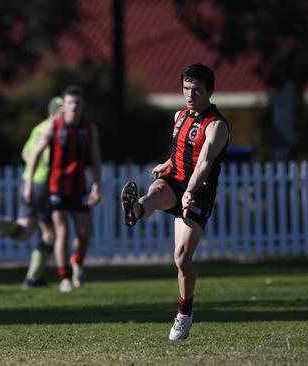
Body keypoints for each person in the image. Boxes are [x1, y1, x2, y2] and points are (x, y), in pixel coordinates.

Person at [121, 63, 230, 340]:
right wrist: (167, 162)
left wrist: (190, 191)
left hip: (198, 190)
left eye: (195, 90)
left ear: (209, 91)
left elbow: (204, 162)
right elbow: (180, 149)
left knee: (181, 259)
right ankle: (137, 208)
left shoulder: (216, 126)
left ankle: (184, 313)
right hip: (174, 179)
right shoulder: (179, 116)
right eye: (185, 89)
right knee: (156, 190)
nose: (189, 95)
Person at [0, 96, 64, 288]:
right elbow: (46, 159)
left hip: (28, 182)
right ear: (54, 112)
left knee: (24, 232)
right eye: (62, 111)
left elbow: (26, 154)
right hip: (44, 184)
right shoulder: (53, 130)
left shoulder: (38, 128)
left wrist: (31, 176)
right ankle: (33, 278)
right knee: (51, 234)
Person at [24, 85, 102, 293]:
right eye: (70, 102)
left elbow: (95, 159)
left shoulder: (89, 129)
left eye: (77, 102)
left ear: (82, 105)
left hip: (79, 188)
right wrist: (29, 183)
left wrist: (96, 186)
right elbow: (36, 154)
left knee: (84, 234)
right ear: (64, 105)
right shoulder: (54, 127)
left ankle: (77, 261)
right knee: (62, 232)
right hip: (57, 187)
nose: (73, 106)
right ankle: (64, 277)